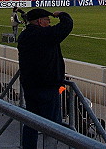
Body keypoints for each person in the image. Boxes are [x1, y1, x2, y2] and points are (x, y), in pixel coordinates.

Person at [17, 8, 73, 149]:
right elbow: (67, 25)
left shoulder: (24, 35)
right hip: (46, 86)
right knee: (52, 125)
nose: (49, 22)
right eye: (47, 20)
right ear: (40, 21)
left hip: (29, 85)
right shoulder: (45, 35)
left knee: (31, 123)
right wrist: (61, 14)